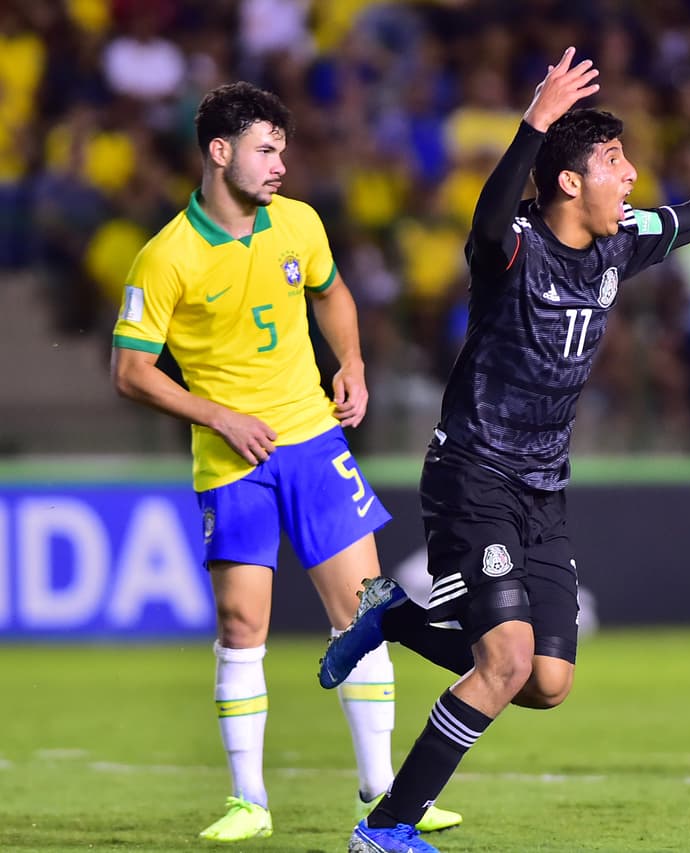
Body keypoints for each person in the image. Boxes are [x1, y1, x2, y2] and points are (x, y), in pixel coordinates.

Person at [317, 46, 690, 853]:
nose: (632, 174)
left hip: (543, 488)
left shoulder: (618, 243)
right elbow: (486, 221)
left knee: (546, 681)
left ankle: (395, 616)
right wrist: (534, 124)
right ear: (570, 182)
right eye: (614, 161)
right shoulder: (514, 250)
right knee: (503, 663)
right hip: (473, 473)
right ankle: (386, 827)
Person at [109, 82, 461, 842]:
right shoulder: (165, 256)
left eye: (282, 150)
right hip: (232, 458)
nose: (280, 164)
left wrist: (352, 362)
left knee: (366, 610)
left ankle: (385, 792)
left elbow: (332, 294)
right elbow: (130, 371)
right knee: (242, 623)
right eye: (266, 150)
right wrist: (219, 415)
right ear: (220, 151)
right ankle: (249, 801)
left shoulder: (299, 222)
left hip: (312, 441)